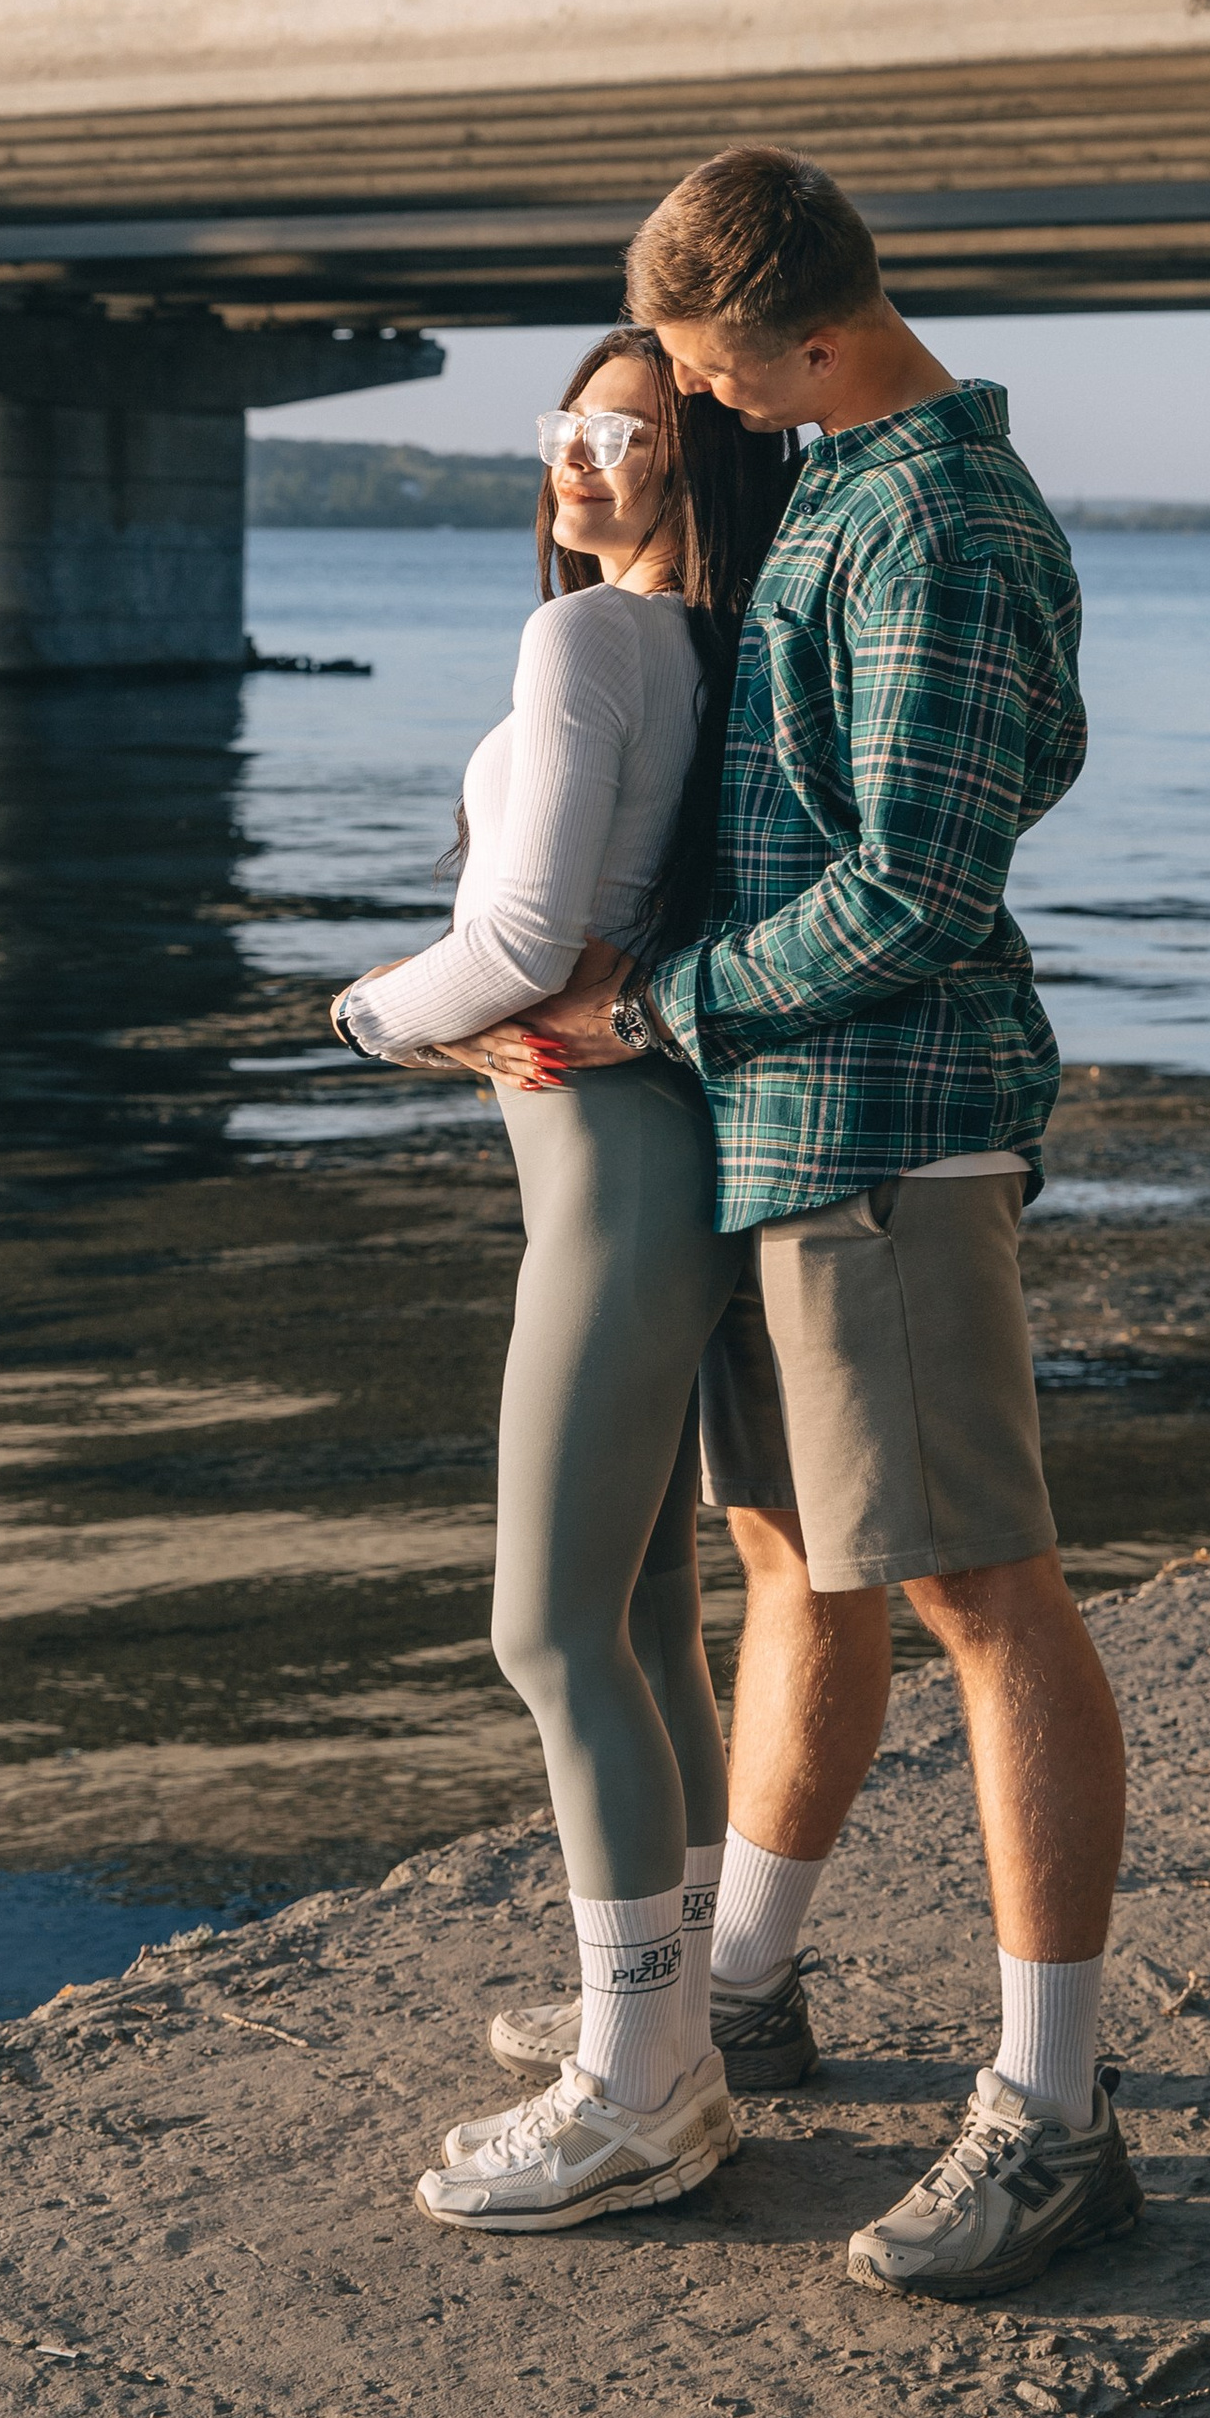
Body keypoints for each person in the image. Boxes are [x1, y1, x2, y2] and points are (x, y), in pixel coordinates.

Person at [469, 145, 1139, 2302]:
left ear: (814, 339)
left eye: (710, 374)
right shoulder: (855, 484)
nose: (703, 411)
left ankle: (1055, 2118)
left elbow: (919, 894)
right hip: (792, 1128)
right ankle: (744, 1980)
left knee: (983, 1601)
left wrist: (652, 998)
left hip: (885, 1133)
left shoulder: (932, 519)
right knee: (795, 1568)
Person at [328, 328, 795, 2233]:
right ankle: (660, 2010)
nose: (582, 461)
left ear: (695, 454)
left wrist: (366, 1016)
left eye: (630, 431)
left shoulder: (587, 643)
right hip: (648, 1146)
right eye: (569, 429)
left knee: (545, 1628)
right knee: (639, 1613)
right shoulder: (701, 647)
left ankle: (645, 2085)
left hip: (605, 1171)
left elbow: (523, 933)